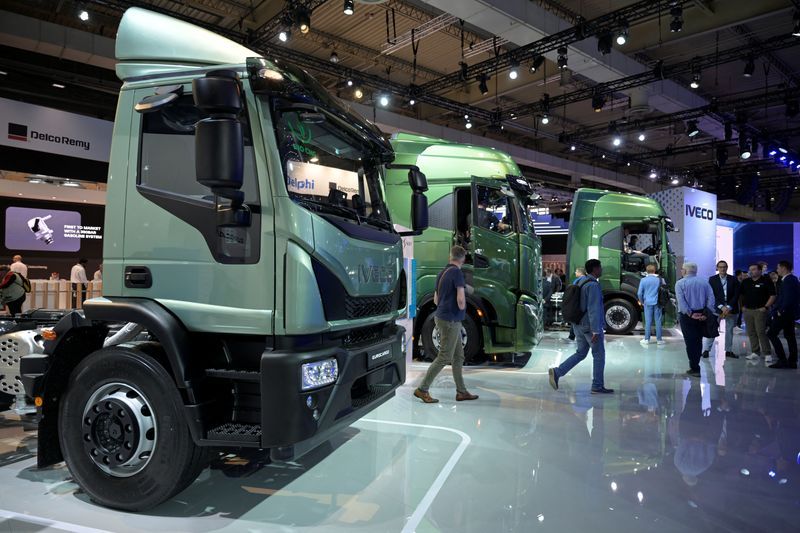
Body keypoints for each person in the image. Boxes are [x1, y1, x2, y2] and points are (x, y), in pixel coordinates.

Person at [414, 246, 479, 403]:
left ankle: (461, 392)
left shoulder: (442, 273)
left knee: (458, 356)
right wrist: (462, 308)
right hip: (451, 320)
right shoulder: (457, 273)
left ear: (451, 256)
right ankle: (422, 389)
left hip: (443, 317)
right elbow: (461, 299)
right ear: (463, 258)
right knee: (444, 356)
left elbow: (436, 300)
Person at [549, 259, 613, 394]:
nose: (601, 270)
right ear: (595, 269)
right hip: (589, 326)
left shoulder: (579, 281)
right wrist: (596, 330)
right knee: (599, 355)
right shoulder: (593, 285)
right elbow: (594, 309)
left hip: (578, 324)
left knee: (581, 353)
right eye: (600, 267)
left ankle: (557, 372)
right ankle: (597, 385)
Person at [675, 262, 715, 377]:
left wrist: (690, 314)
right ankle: (696, 365)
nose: (681, 271)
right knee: (698, 340)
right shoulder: (704, 282)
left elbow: (681, 302)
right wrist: (706, 313)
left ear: (685, 271)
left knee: (690, 342)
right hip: (702, 314)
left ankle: (694, 368)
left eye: (682, 269)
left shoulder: (680, 283)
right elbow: (711, 299)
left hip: (687, 316)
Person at [702, 260, 740, 359]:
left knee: (729, 330)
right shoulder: (712, 279)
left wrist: (729, 307)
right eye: (720, 267)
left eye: (724, 267)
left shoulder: (733, 279)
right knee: (713, 328)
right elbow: (711, 295)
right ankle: (706, 350)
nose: (722, 269)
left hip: (731, 309)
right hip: (717, 308)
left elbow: (736, 295)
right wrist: (721, 306)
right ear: (717, 268)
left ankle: (728, 351)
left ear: (727, 268)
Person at [740, 263, 776, 363]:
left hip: (760, 310)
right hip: (747, 310)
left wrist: (766, 307)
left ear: (760, 270)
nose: (751, 271)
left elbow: (773, 295)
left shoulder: (766, 281)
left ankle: (767, 353)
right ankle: (755, 352)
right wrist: (742, 307)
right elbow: (741, 295)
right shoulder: (746, 282)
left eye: (754, 269)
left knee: (761, 332)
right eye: (750, 269)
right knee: (751, 332)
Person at [767, 260, 799, 369]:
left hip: (785, 313)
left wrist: (780, 311)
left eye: (778, 268)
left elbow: (788, 298)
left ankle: (782, 359)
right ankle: (792, 361)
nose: (777, 270)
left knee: (771, 333)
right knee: (790, 336)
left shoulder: (788, 280)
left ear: (783, 268)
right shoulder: (791, 279)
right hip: (789, 313)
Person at [637, 264, 664, 345]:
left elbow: (639, 293)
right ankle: (659, 340)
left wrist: (642, 301)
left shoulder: (643, 280)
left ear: (646, 271)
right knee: (658, 321)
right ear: (654, 270)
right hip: (658, 302)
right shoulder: (659, 279)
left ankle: (646, 339)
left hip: (647, 302)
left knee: (648, 321)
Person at [567, 267, 586, 341]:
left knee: (574, 321)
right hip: (582, 303)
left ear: (580, 273)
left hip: (577, 303)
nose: (575, 273)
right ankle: (572, 336)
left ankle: (572, 336)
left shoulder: (578, 281)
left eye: (576, 271)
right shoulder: (586, 280)